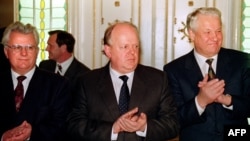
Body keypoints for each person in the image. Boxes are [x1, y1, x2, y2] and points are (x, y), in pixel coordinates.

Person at [66, 21, 179, 141]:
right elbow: (74, 125)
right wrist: (112, 129)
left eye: (135, 46)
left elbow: (173, 124)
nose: (132, 52)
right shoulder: (87, 82)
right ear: (108, 51)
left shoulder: (158, 79)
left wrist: (144, 127)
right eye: (125, 47)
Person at [163, 7, 250, 141]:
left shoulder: (243, 61)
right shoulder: (174, 70)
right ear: (191, 34)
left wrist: (227, 100)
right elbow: (173, 119)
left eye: (218, 31)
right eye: (208, 32)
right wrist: (200, 101)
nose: (215, 37)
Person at [0, 21, 71, 141]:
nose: (24, 53)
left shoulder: (58, 85)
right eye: (17, 47)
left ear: (37, 51)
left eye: (30, 47)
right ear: (6, 52)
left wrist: (32, 133)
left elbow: (63, 127)